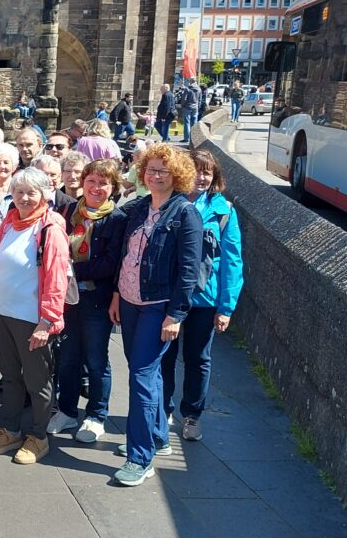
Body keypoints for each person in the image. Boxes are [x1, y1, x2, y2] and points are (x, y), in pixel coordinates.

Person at [109, 143, 203, 486]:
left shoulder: (185, 214)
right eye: (150, 169)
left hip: (158, 306)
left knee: (142, 377)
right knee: (147, 373)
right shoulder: (140, 208)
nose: (155, 175)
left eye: (162, 171)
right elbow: (125, 252)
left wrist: (176, 315)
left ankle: (140, 457)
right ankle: (158, 437)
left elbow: (189, 271)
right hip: (131, 302)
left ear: (176, 175)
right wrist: (118, 295)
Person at [0, 167, 69, 466]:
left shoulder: (50, 229)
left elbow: (57, 279)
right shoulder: (7, 224)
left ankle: (39, 436)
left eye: (32, 192)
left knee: (37, 381)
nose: (25, 198)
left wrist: (48, 321)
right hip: (3, 315)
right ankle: (11, 430)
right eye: (19, 192)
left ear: (44, 194)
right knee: (9, 378)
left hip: (32, 321)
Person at [161, 150, 243, 443]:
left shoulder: (225, 212)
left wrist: (226, 307)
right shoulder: (169, 203)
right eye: (195, 170)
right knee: (164, 357)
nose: (201, 177)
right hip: (169, 296)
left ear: (214, 177)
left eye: (207, 172)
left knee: (198, 358)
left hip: (205, 300)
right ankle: (163, 410)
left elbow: (233, 261)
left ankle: (192, 415)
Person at [48, 160, 126, 443]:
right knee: (67, 358)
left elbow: (110, 263)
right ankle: (67, 411)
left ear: (113, 188)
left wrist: (69, 269)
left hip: (96, 299)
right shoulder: (67, 211)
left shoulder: (117, 220)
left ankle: (96, 415)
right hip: (67, 299)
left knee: (96, 360)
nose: (96, 188)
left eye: (103, 183)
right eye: (91, 181)